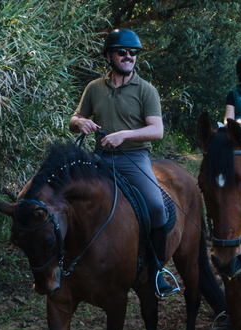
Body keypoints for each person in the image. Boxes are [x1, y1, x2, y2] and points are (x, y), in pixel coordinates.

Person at [69, 28, 176, 297]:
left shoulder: (146, 90)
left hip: (134, 157)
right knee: (68, 200)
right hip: (100, 158)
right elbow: (74, 119)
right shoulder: (94, 88)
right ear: (109, 55)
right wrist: (80, 122)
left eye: (133, 52)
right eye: (122, 51)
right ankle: (67, 264)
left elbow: (156, 130)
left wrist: (124, 135)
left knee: (156, 208)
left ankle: (156, 272)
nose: (129, 56)